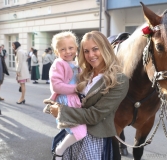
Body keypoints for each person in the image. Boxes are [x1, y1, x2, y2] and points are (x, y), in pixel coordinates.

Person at [44, 31, 129, 160]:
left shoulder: (119, 80)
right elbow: (62, 89)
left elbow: (95, 115)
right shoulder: (83, 73)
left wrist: (61, 111)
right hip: (73, 133)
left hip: (95, 139)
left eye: (95, 49)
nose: (91, 55)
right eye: (86, 51)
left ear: (105, 49)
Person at [43, 31, 87, 160]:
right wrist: (77, 88)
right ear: (57, 52)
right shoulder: (58, 64)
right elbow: (56, 86)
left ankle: (65, 152)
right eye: (63, 49)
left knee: (75, 131)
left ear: (76, 48)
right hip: (66, 102)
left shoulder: (76, 63)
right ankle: (59, 150)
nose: (68, 51)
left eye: (71, 48)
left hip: (75, 101)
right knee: (80, 132)